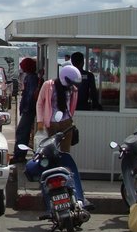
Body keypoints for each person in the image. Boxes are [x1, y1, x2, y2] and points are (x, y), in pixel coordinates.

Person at [35, 63, 90, 212]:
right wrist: (40, 121)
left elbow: (71, 105)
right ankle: (50, 188)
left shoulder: (72, 89)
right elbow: (40, 103)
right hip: (50, 123)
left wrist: (71, 119)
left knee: (65, 156)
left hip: (66, 123)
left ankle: (70, 186)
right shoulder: (49, 85)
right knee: (50, 156)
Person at [12, 57, 39, 161]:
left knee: (21, 132)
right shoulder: (31, 77)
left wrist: (25, 108)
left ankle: (19, 155)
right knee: (24, 132)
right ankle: (20, 154)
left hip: (28, 110)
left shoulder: (31, 78)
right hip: (28, 109)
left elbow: (30, 95)